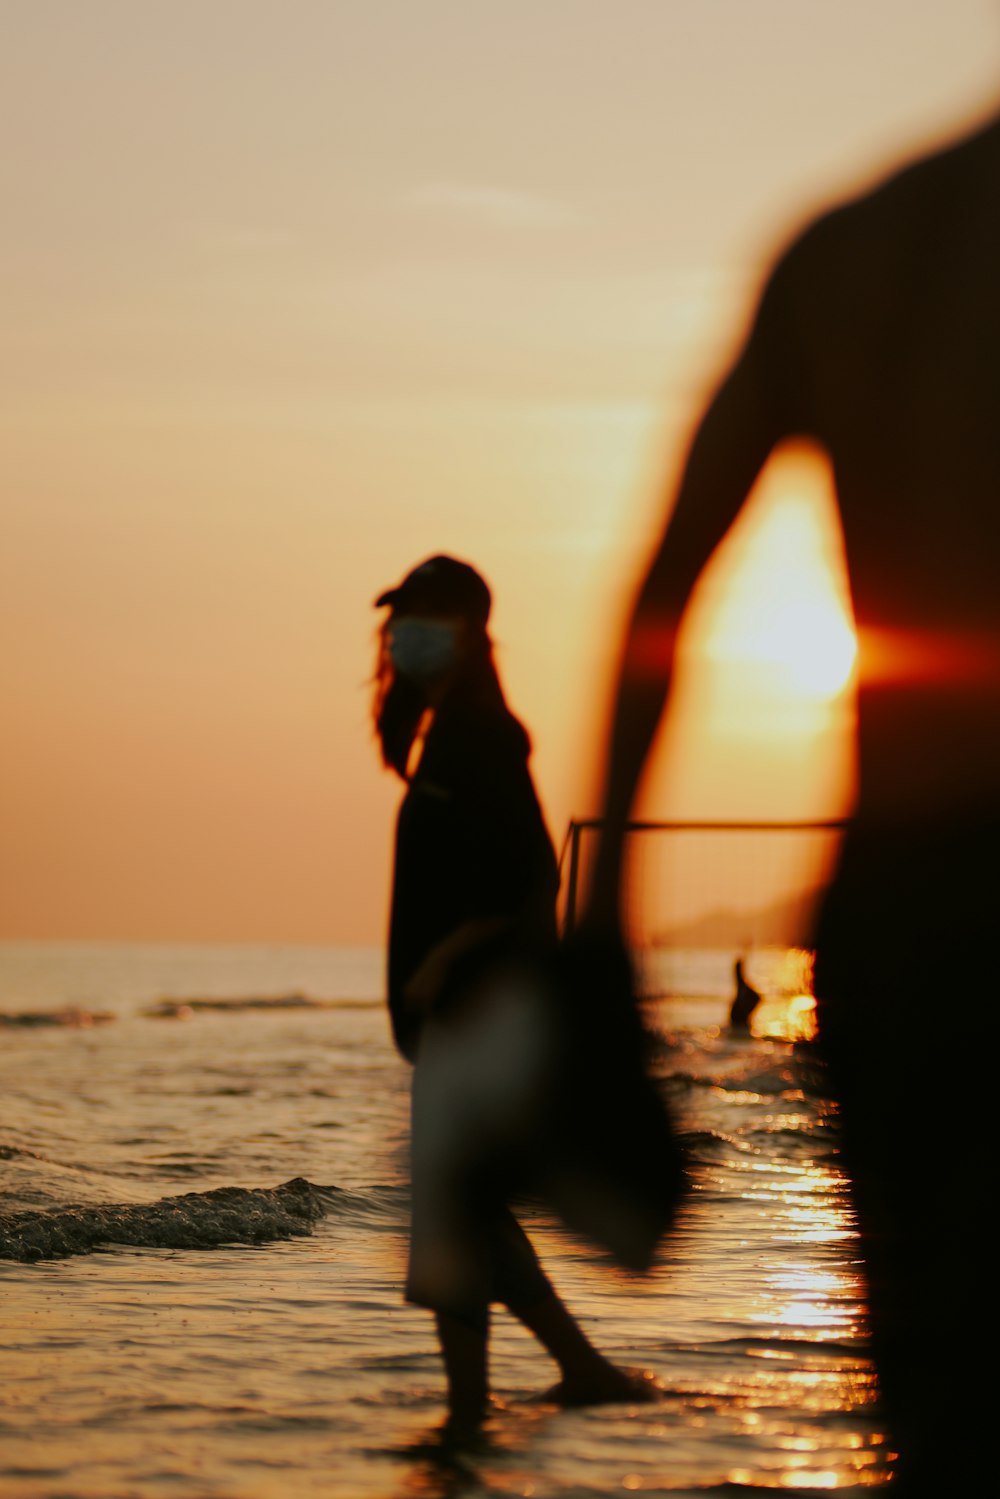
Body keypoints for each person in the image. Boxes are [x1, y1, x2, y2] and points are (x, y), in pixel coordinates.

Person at [581, 107, 1000, 1495]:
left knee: (942, 1426)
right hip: (920, 919)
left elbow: (663, 592)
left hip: (907, 914)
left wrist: (596, 951)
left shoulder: (853, 245)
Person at [372, 553, 655, 1441]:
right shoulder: (448, 733)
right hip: (456, 1014)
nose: (398, 635)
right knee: (468, 1209)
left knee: (454, 1219)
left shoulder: (484, 736)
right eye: (397, 619)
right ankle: (578, 1370)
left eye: (418, 618)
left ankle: (470, 1414)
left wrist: (443, 958)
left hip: (476, 1009)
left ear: (466, 630)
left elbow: (535, 877)